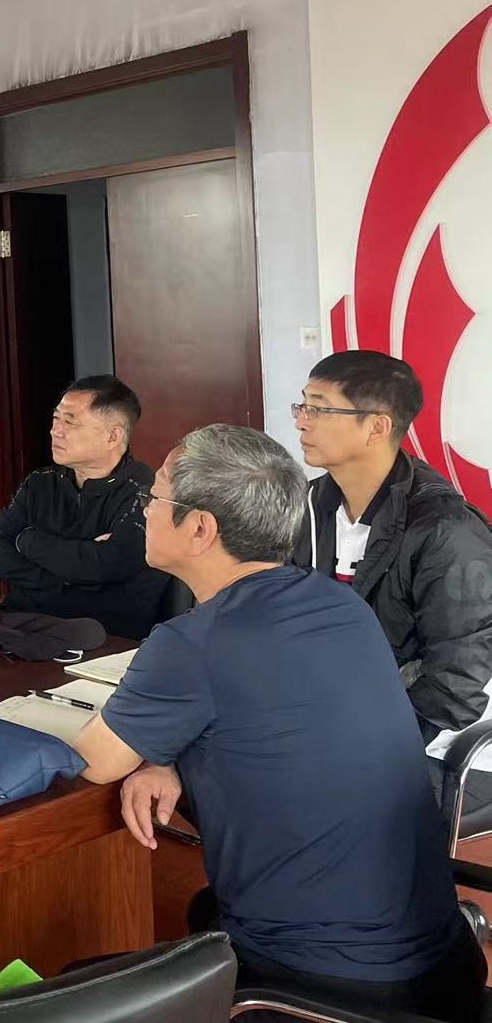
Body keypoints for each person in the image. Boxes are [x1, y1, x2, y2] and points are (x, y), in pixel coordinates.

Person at [71, 424, 485, 1020]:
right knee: (203, 912)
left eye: (153, 497)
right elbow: (273, 720)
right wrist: (162, 754)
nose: (144, 511)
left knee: (72, 984)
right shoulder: (339, 604)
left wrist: (150, 750)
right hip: (442, 966)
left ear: (200, 528)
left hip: (331, 988)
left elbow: (93, 762)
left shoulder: (192, 642)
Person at [289, 350, 492, 814]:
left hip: (441, 748)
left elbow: (455, 686)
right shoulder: (312, 506)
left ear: (377, 427)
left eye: (320, 408)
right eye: (302, 405)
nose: (302, 421)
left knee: (303, 797)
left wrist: (355, 743)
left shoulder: (444, 530)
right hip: (345, 715)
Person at [0, 375, 171, 638]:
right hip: (27, 626)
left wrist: (26, 540)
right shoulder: (41, 482)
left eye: (70, 422)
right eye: (56, 418)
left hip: (106, 637)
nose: (55, 431)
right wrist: (72, 578)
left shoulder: (145, 493)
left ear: (112, 436)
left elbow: (108, 564)